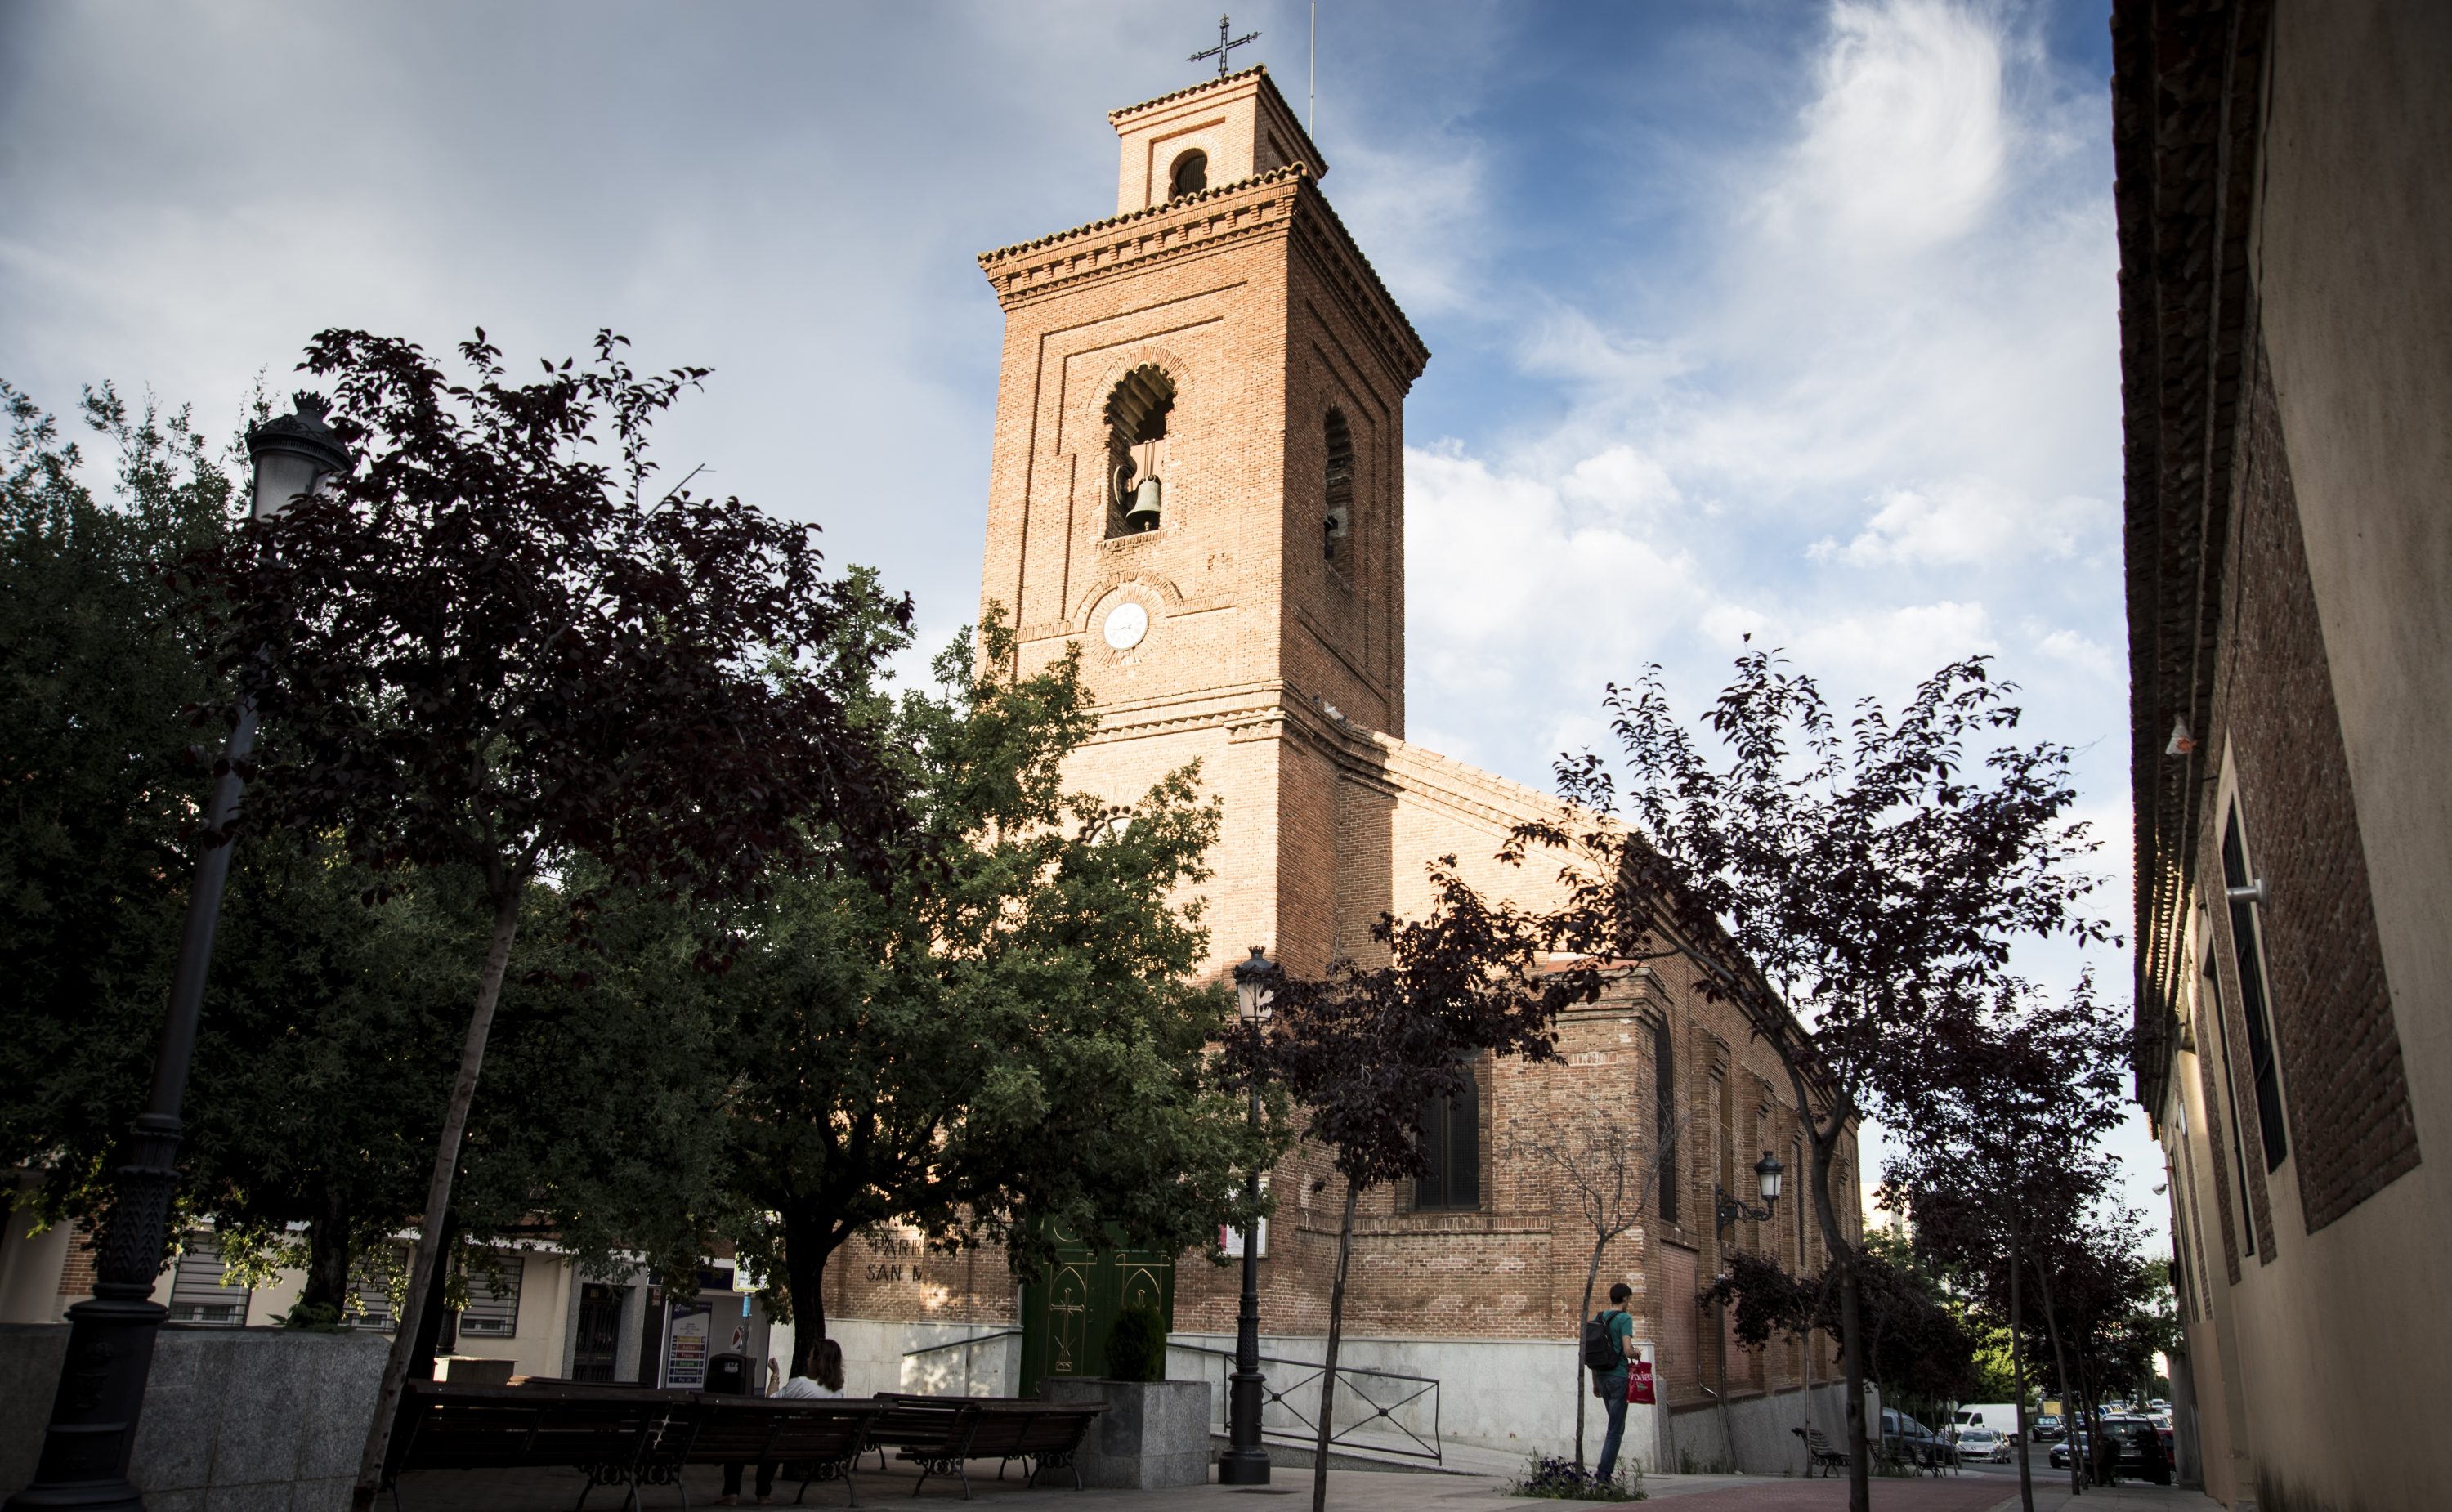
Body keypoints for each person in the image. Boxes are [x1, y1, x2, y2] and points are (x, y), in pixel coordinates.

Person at [719, 1338, 848, 1505]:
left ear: (818, 1361)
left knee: (746, 1437)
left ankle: (731, 1493)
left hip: (785, 1442)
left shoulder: (800, 1384)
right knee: (776, 1439)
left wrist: (775, 1374)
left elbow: (770, 1402)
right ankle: (763, 1494)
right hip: (814, 1444)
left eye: (810, 1357)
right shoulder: (838, 1392)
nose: (807, 1360)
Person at [1591, 1282, 1639, 1483]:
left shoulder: (1598, 1317)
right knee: (1616, 1429)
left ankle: (1605, 1471)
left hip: (1601, 1377)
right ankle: (1604, 1474)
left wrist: (1595, 1382)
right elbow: (1628, 1351)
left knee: (1615, 1426)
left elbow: (1594, 1351)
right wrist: (1637, 1353)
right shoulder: (1625, 1318)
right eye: (1629, 1299)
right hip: (1618, 1377)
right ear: (1625, 1299)